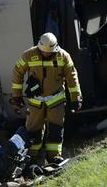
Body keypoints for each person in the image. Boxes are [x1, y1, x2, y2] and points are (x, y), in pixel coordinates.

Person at [11, 32, 82, 164]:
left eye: (48, 53)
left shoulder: (63, 56)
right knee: (33, 130)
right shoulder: (29, 55)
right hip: (35, 102)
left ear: (55, 48)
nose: (45, 54)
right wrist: (16, 95)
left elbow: (72, 77)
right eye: (43, 52)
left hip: (56, 101)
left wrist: (76, 98)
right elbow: (17, 71)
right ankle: (31, 157)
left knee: (56, 129)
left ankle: (54, 157)